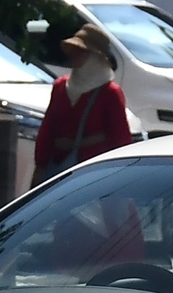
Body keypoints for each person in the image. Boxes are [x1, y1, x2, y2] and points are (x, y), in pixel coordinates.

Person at [32, 23, 133, 187]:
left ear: (95, 56)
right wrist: (40, 165)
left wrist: (118, 177)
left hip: (97, 175)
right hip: (59, 171)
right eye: (74, 50)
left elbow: (120, 140)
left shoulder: (110, 93)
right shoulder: (60, 86)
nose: (74, 55)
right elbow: (47, 130)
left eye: (81, 51)